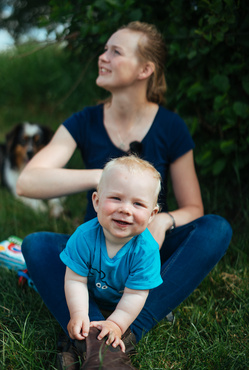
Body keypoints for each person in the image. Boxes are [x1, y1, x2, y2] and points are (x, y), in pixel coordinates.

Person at [17, 21, 233, 369]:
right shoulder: (84, 121)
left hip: (146, 249)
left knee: (217, 229)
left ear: (145, 69)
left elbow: (194, 206)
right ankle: (92, 335)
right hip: (91, 253)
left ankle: (124, 332)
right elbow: (29, 182)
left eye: (115, 51)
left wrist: (163, 220)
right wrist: (103, 177)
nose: (103, 58)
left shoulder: (170, 126)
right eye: (104, 50)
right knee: (37, 244)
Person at [60, 155, 163, 354]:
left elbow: (135, 294)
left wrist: (116, 323)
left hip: (128, 300)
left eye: (138, 204)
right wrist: (79, 313)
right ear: (97, 202)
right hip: (93, 296)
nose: (125, 209)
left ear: (152, 215)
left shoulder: (146, 250)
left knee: (144, 296)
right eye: (116, 198)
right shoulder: (83, 237)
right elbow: (75, 281)